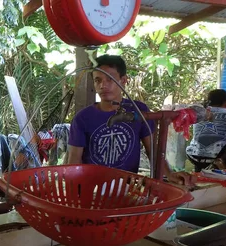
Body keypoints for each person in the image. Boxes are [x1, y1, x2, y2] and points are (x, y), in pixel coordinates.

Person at [67, 54, 196, 186]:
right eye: (97, 80)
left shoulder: (139, 111)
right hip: (93, 188)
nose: (102, 85)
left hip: (127, 189)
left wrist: (169, 174)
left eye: (109, 79)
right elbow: (74, 160)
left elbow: (153, 150)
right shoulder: (83, 118)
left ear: (123, 80)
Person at [186, 89, 226, 171]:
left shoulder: (200, 113)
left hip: (193, 156)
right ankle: (221, 163)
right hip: (216, 157)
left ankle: (202, 169)